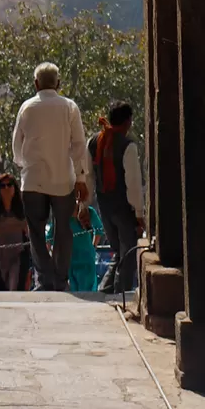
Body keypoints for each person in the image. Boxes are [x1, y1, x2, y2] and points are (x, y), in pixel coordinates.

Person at [11, 61, 90, 292]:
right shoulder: (69, 107)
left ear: (36, 84)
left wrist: (22, 164)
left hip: (33, 180)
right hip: (62, 180)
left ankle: (44, 279)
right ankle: (60, 279)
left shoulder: (27, 107)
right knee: (63, 228)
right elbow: (78, 145)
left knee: (36, 230)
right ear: (59, 83)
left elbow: (17, 144)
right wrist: (81, 178)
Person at [90, 100, 145, 295]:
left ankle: (105, 291)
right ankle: (121, 295)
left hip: (104, 207)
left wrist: (84, 206)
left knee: (119, 253)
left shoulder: (94, 141)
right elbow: (133, 183)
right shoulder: (127, 145)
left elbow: (89, 177)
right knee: (128, 254)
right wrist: (139, 213)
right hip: (123, 209)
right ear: (128, 121)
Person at [0, 173, 32, 290]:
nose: (6, 188)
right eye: (2, 186)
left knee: (15, 286)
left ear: (15, 188)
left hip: (18, 254)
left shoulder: (22, 208)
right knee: (2, 289)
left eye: (9, 185)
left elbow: (28, 232)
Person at [68, 199, 106, 294]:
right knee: (88, 293)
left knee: (74, 293)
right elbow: (99, 230)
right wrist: (93, 246)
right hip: (87, 257)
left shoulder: (62, 214)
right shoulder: (89, 211)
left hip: (70, 258)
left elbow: (50, 238)